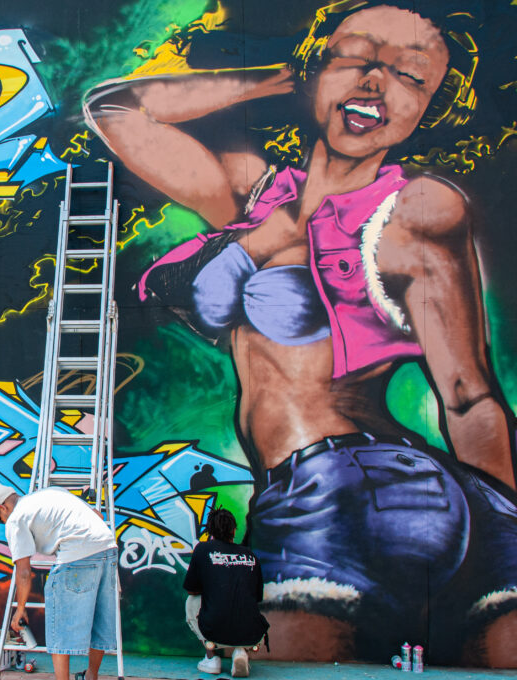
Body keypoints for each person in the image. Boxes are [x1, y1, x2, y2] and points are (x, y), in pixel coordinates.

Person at [85, 1, 517, 665]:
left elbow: (467, 394)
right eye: (358, 58)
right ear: (316, 70)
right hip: (358, 488)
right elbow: (116, 110)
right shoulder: (255, 194)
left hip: (334, 485)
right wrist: (275, 78)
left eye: (410, 77)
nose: (377, 83)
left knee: (293, 673)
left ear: (425, 110)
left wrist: (507, 525)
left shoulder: (411, 210)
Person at [0, 485, 118, 680]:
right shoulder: (51, 493)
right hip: (108, 546)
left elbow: (23, 571)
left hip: (77, 553)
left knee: (59, 627)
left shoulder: (15, 519)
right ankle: (91, 675)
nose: (4, 523)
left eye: (1, 519)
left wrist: (20, 608)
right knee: (100, 621)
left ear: (3, 508)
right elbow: (97, 516)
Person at [184, 508, 268, 677]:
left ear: (210, 531)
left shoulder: (202, 549)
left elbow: (191, 589)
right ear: (234, 530)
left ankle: (211, 658)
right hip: (252, 632)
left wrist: (213, 587)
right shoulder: (250, 554)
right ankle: (241, 650)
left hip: (214, 627)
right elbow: (257, 596)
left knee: (192, 602)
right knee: (244, 602)